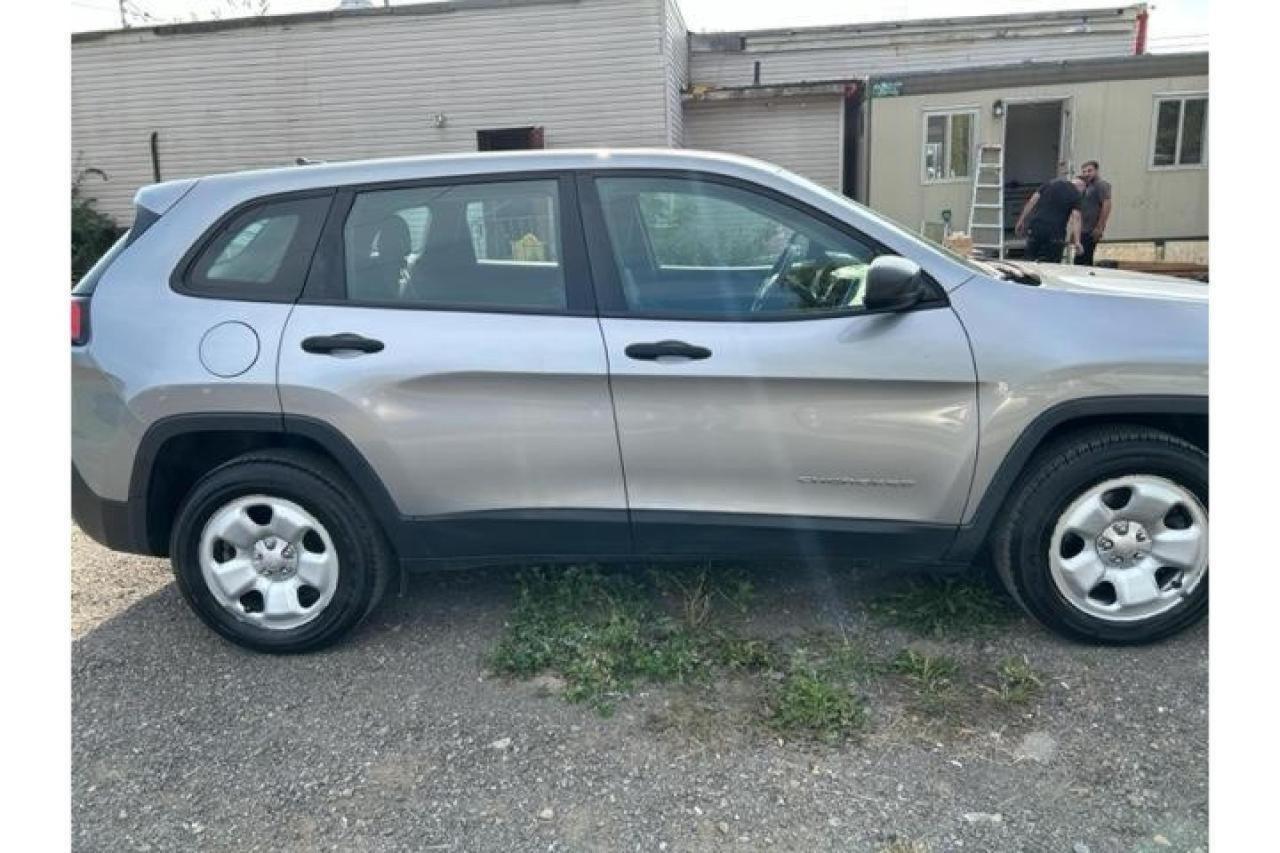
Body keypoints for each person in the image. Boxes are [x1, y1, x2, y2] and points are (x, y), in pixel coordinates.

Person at [1014, 169, 1083, 263]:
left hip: (1036, 227)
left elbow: (1032, 202)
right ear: (1081, 186)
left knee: (1029, 258)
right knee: (1052, 263)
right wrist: (1077, 241)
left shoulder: (1049, 184)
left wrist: (1020, 221)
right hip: (1055, 232)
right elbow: (1076, 217)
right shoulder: (1076, 194)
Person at [1076, 160, 1112, 266]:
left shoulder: (1101, 185)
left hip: (1091, 230)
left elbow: (1107, 205)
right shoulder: (1086, 187)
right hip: (1083, 229)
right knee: (1079, 260)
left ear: (1096, 171)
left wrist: (1099, 227)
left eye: (1089, 171)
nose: (1086, 174)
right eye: (1084, 171)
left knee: (1084, 260)